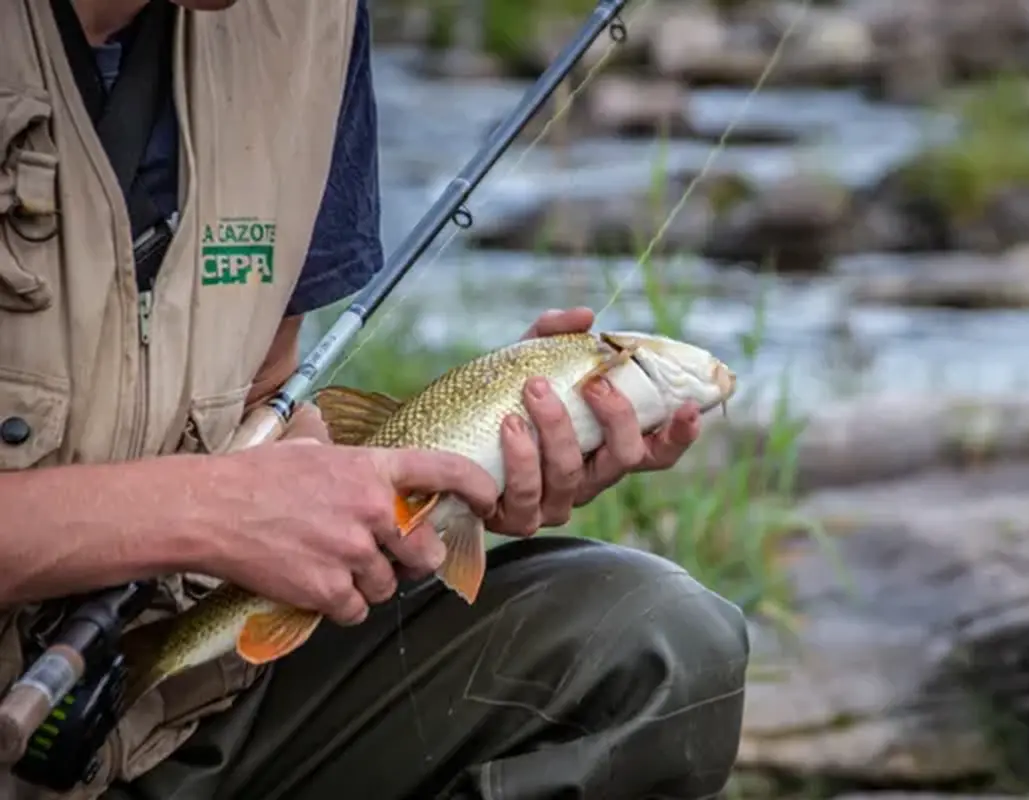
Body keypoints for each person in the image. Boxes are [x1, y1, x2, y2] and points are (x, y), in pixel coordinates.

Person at [0, 0, 750, 798]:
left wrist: (426, 485)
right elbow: (218, 499)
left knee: (656, 644)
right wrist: (198, 513)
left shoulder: (307, 20)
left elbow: (263, 394)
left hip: (174, 714)